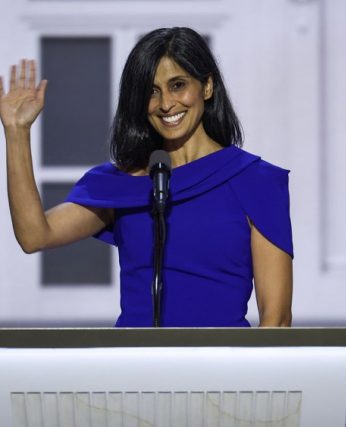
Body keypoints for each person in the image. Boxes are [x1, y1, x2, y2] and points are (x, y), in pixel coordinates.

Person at [0, 27, 293, 327]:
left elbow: (277, 320)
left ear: (207, 86)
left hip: (224, 369)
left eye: (177, 85)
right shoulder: (122, 183)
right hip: (131, 369)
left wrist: (245, 374)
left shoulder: (256, 181)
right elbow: (35, 235)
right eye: (152, 91)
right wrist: (17, 133)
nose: (166, 104)